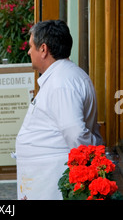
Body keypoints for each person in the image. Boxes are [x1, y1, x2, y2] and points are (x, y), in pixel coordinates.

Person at [15, 19, 103, 201]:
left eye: (31, 46)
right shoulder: (63, 76)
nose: (29, 51)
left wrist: (91, 159)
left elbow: (75, 132)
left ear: (43, 49)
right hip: (45, 176)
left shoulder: (61, 83)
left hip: (51, 179)